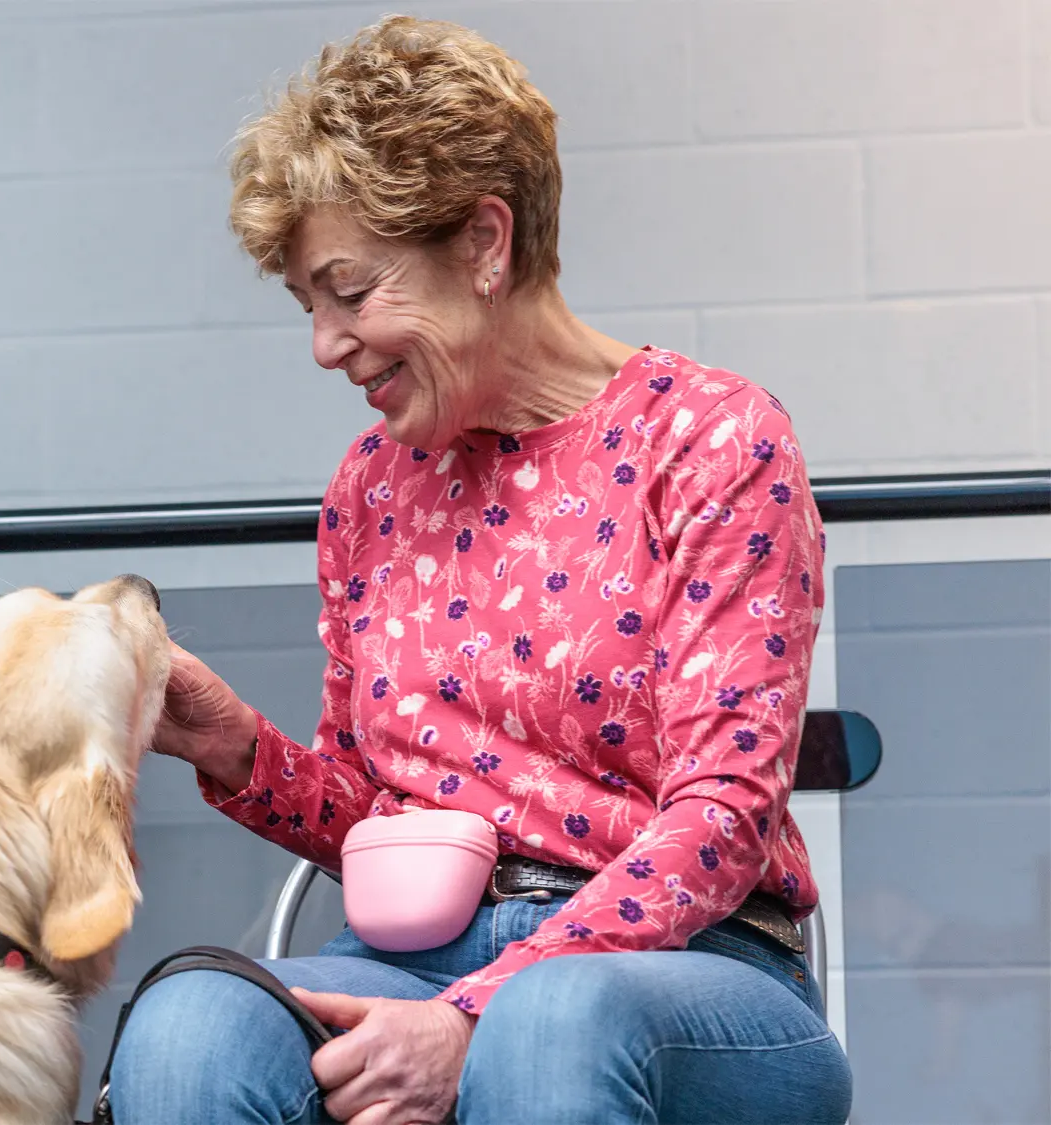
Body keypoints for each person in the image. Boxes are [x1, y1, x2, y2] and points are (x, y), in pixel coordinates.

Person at [109, 16, 852, 1125]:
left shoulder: (707, 441)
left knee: (549, 1026)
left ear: (483, 244)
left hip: (689, 973)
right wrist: (231, 747)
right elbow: (374, 806)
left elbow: (720, 816)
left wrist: (481, 1011)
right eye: (305, 304)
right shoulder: (369, 487)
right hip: (410, 956)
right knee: (187, 1028)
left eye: (349, 291)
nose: (323, 342)